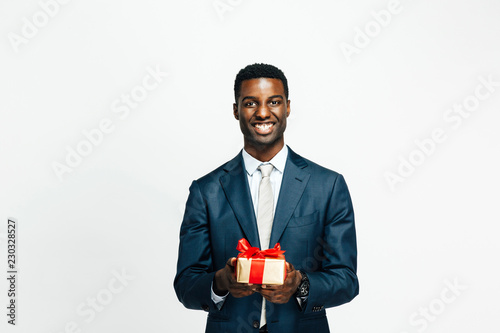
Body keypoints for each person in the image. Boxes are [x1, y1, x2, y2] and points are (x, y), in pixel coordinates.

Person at [174, 63, 359, 333]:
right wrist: (222, 282)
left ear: (287, 107)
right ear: (236, 110)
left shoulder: (328, 186)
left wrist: (299, 285)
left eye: (274, 101)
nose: (262, 112)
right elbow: (186, 285)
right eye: (250, 103)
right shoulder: (206, 191)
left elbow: (346, 279)